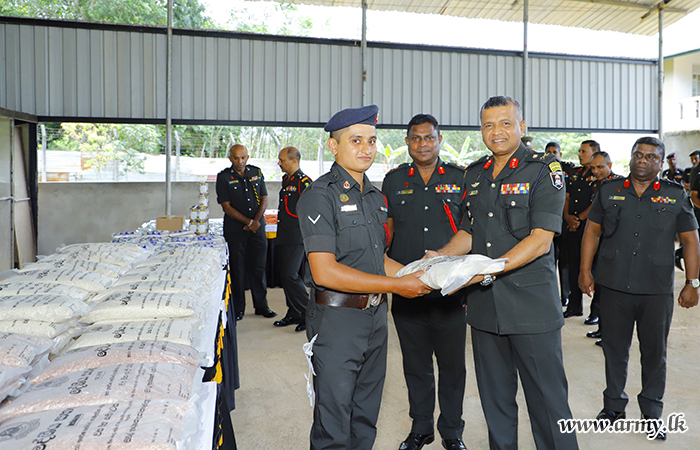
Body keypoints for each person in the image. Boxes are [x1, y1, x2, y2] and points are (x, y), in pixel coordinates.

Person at [429, 96, 578, 450]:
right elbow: (469, 231)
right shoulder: (474, 174)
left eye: (505, 123)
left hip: (532, 307)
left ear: (521, 127)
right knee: (495, 404)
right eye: (488, 125)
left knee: (548, 404)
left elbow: (540, 240)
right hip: (485, 309)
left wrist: (487, 270)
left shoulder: (544, 170)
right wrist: (439, 257)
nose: (496, 131)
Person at [297, 105, 431, 450]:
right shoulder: (319, 196)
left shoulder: (375, 197)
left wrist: (420, 274)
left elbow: (378, 261)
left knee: (365, 415)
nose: (366, 149)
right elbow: (324, 271)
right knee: (334, 420)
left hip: (375, 318)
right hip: (337, 321)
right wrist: (398, 286)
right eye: (356, 140)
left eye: (371, 141)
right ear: (334, 146)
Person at [579, 137, 699, 441]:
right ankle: (613, 408)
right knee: (614, 349)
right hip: (615, 285)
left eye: (651, 157)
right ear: (631, 157)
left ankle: (651, 413)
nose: (643, 160)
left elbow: (690, 240)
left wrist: (692, 283)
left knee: (655, 353)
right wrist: (584, 270)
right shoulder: (609, 190)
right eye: (638, 155)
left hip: (655, 289)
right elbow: (592, 230)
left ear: (660, 162)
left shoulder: (674, 194)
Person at [382, 114, 468, 450]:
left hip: (450, 290)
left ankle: (452, 431)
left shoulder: (460, 178)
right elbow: (386, 231)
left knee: (452, 366)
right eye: (416, 138)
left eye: (429, 137)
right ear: (407, 142)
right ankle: (421, 428)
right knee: (415, 364)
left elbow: (470, 230)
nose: (422, 144)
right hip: (407, 290)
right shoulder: (393, 180)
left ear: (439, 140)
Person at [216, 144, 276, 321]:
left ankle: (262, 306)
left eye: (243, 157)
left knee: (259, 268)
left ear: (247, 157)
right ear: (230, 159)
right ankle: (238, 309)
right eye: (235, 158)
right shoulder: (224, 177)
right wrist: (248, 222)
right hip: (236, 230)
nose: (239, 161)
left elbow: (264, 198)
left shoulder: (256, 172)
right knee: (237, 269)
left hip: (257, 229)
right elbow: (226, 207)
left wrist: (255, 222)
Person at [584, 151, 621, 345]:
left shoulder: (620, 185)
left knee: (611, 292)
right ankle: (603, 328)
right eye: (593, 168)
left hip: (615, 245)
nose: (596, 171)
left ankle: (610, 334)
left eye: (600, 167)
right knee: (601, 287)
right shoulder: (596, 185)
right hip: (600, 243)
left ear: (610, 165)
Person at [274, 146, 312, 332]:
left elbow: (311, 210)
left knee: (291, 274)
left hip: (297, 236)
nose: (279, 163)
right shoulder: (286, 180)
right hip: (284, 234)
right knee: (285, 275)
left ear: (294, 161)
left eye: (282, 160)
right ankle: (294, 312)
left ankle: (308, 313)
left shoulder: (304, 182)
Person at [562, 140, 599, 319]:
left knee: (593, 268)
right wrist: (568, 217)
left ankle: (596, 312)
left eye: (584, 151)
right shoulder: (574, 173)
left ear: (594, 153)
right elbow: (567, 197)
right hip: (571, 225)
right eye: (579, 151)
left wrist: (578, 219)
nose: (579, 154)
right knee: (573, 265)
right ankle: (574, 305)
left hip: (589, 226)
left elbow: (596, 202)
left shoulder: (598, 173)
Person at [545, 141, 573, 307]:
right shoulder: (541, 169)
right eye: (548, 152)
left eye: (554, 152)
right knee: (549, 261)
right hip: (547, 222)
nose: (551, 154)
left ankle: (565, 295)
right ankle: (551, 296)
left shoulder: (569, 170)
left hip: (564, 223)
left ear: (560, 154)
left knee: (564, 262)